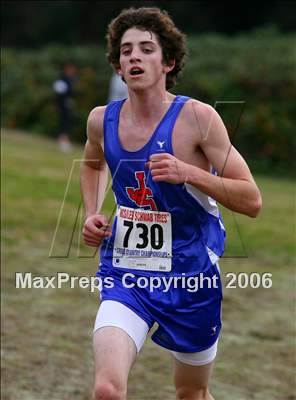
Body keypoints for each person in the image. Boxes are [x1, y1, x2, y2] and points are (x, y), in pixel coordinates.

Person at [80, 7, 262, 400]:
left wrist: (189, 172)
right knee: (107, 390)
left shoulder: (198, 118)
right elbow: (93, 164)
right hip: (126, 271)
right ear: (117, 65)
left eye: (146, 48)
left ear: (169, 62)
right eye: (126, 51)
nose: (134, 57)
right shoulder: (101, 120)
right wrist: (94, 210)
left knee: (191, 394)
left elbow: (252, 200)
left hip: (191, 276)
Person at [53, 62, 77, 152]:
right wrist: (57, 105)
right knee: (63, 123)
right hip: (62, 105)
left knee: (67, 123)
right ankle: (62, 140)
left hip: (68, 105)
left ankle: (64, 139)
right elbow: (58, 94)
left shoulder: (70, 80)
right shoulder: (62, 79)